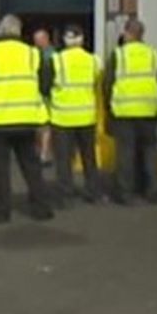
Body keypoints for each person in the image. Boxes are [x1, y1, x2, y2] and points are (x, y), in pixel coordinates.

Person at [0, 15, 53, 224]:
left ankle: (1, 212)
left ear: (0, 31)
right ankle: (41, 208)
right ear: (18, 31)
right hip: (26, 118)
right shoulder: (33, 54)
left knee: (0, 169)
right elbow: (45, 83)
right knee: (31, 166)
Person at [104, 19, 157, 205]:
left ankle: (125, 193)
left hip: (124, 113)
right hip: (149, 112)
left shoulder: (118, 55)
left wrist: (110, 108)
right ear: (142, 34)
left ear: (127, 33)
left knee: (126, 153)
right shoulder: (154, 54)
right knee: (150, 151)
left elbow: (107, 84)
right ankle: (153, 191)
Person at [46, 25, 102, 204]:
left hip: (62, 118)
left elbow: (45, 86)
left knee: (63, 160)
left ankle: (65, 193)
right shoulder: (94, 61)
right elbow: (99, 84)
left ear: (64, 40)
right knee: (89, 157)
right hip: (86, 117)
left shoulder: (56, 61)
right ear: (82, 40)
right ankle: (93, 191)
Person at [33, 28, 56, 167]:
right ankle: (42, 152)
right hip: (38, 94)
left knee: (45, 126)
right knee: (40, 126)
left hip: (47, 95)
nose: (36, 42)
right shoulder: (36, 53)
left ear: (46, 38)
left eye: (38, 39)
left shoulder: (51, 55)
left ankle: (44, 153)